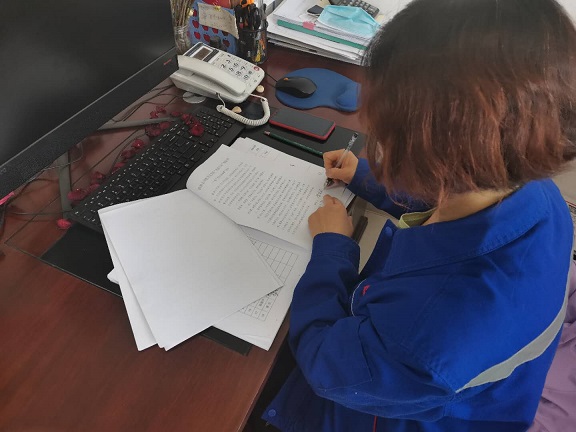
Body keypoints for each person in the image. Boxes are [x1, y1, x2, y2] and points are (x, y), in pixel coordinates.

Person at [261, 0, 576, 431]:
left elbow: (327, 367)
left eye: (383, 133)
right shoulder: (534, 191)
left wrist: (333, 249)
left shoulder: (429, 337)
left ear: (433, 158)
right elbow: (449, 194)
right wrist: (366, 177)